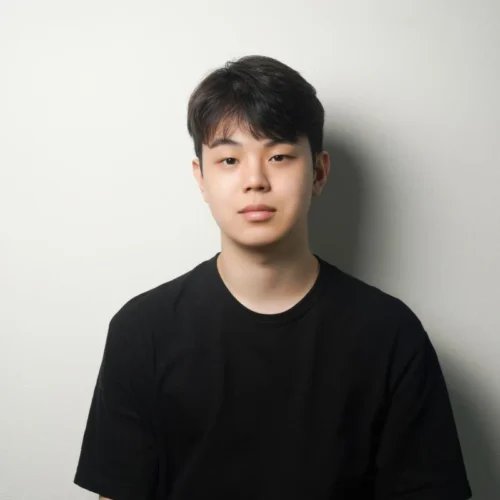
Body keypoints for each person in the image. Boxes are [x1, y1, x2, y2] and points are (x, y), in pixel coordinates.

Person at [74, 55, 472, 500]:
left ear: (318, 172)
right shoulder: (141, 331)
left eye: (279, 156)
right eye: (229, 159)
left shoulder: (390, 334)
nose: (255, 180)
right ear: (200, 178)